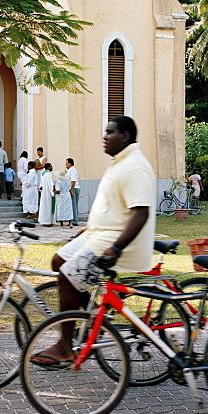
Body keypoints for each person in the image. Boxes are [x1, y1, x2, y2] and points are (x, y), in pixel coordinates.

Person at [32, 115, 156, 366]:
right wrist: (90, 228)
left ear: (125, 136)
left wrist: (116, 248)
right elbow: (113, 205)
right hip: (98, 234)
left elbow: (140, 212)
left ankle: (66, 346)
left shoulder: (135, 166)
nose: (104, 136)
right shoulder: (120, 162)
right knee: (59, 261)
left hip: (117, 242)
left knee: (68, 275)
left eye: (110, 132)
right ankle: (92, 316)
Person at [66, 157, 80, 226]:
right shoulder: (70, 170)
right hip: (73, 188)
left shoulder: (72, 170)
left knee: (74, 205)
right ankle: (74, 219)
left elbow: (73, 181)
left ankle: (75, 220)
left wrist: (71, 190)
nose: (65, 165)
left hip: (74, 188)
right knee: (73, 205)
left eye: (66, 163)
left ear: (70, 163)